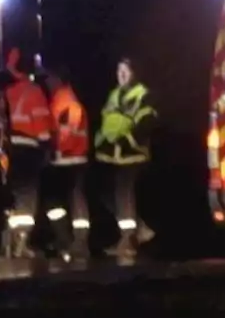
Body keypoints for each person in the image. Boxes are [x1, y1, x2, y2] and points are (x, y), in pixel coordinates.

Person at [92, 58, 156, 255]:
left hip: (133, 154)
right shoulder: (114, 95)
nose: (121, 74)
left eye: (125, 70)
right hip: (112, 155)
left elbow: (146, 123)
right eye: (118, 70)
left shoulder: (143, 95)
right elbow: (107, 122)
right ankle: (139, 230)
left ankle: (128, 240)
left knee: (123, 192)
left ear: (134, 73)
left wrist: (127, 138)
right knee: (106, 193)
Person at [0, 47, 52, 251]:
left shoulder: (7, 92)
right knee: (27, 197)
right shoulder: (34, 91)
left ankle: (8, 243)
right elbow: (41, 126)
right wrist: (47, 146)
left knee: (11, 195)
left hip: (10, 150)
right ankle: (21, 242)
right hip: (30, 150)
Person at [33, 64, 88, 258]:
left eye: (49, 79)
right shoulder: (61, 99)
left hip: (68, 159)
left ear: (57, 80)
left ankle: (73, 240)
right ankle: (67, 238)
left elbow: (67, 132)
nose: (46, 83)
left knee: (62, 200)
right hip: (69, 159)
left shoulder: (65, 101)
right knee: (66, 200)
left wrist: (54, 151)